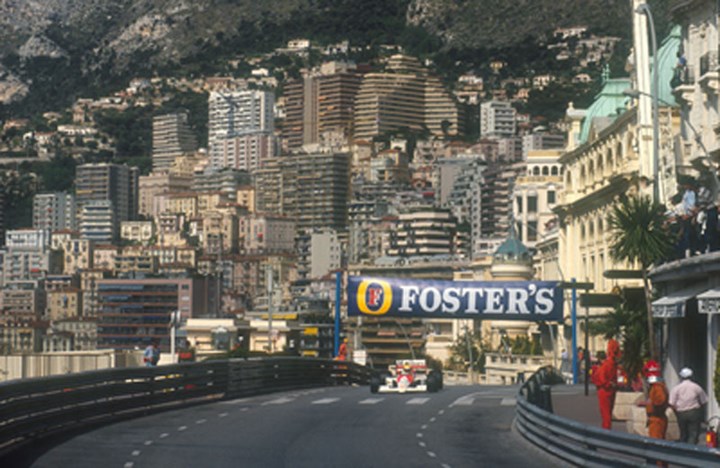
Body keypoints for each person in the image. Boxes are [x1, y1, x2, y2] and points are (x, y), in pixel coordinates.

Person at [669, 367, 708, 444]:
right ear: (691, 376)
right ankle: (692, 449)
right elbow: (704, 401)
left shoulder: (676, 388)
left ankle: (683, 449)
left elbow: (671, 403)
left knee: (683, 433)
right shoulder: (696, 387)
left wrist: (676, 412)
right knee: (693, 433)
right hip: (694, 412)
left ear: (681, 377)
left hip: (681, 413)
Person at [593, 339, 620, 429]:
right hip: (610, 390)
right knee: (608, 414)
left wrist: (608, 384)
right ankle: (607, 431)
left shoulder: (607, 364)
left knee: (606, 415)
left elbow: (600, 378)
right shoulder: (613, 364)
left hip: (605, 391)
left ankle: (606, 433)